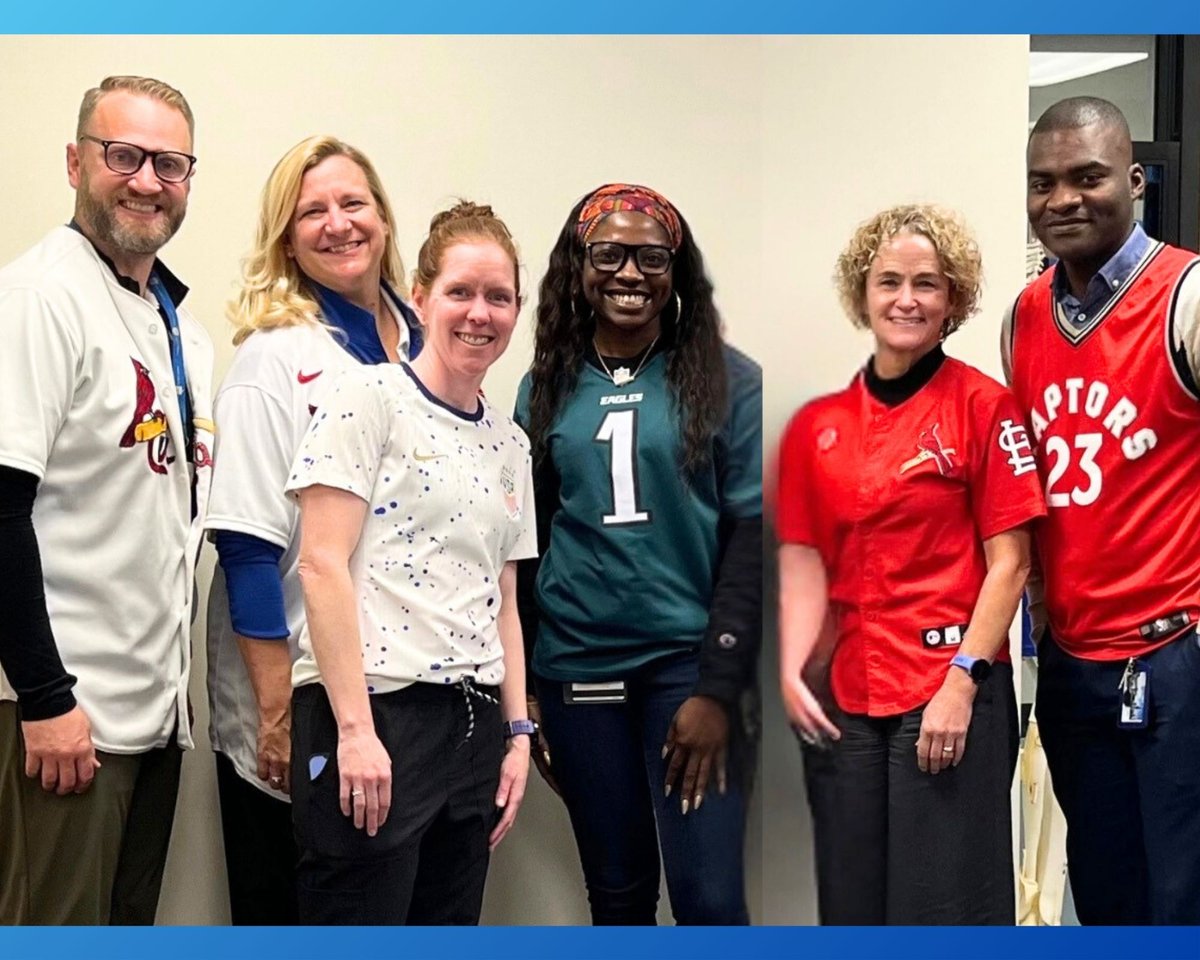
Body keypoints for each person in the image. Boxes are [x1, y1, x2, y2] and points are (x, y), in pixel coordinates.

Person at [777, 203, 1044, 924]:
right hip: (853, 701)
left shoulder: (986, 408)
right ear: (862, 293)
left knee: (943, 907)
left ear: (951, 297)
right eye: (888, 280)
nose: (906, 299)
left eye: (926, 283)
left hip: (947, 693)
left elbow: (1012, 564)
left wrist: (961, 682)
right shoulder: (828, 423)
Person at [516, 183, 762, 925]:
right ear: (578, 266)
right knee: (617, 897)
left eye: (652, 257)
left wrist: (717, 687)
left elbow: (747, 540)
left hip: (685, 672)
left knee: (709, 900)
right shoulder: (545, 386)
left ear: (677, 270)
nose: (630, 273)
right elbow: (525, 545)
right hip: (577, 675)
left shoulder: (726, 376)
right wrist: (525, 686)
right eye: (609, 254)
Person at [284, 201, 534, 925]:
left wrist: (516, 734)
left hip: (474, 719)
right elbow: (321, 566)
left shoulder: (510, 443)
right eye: (460, 291)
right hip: (373, 717)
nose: (479, 314)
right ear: (420, 296)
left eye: (499, 297)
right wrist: (355, 731)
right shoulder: (367, 399)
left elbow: (506, 598)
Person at [0, 75, 213, 925]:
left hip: (154, 717)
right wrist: (48, 699)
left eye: (170, 162)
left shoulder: (176, 326)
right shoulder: (40, 299)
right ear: (75, 161)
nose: (147, 180)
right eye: (122, 155)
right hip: (63, 718)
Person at [203, 135, 422, 924]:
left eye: (352, 203)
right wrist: (274, 717)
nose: (337, 224)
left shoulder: (426, 345)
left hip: (397, 693)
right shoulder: (275, 359)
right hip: (295, 688)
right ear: (286, 239)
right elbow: (246, 548)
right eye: (311, 212)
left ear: (384, 218)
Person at [1002, 96, 1200, 925]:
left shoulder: (1187, 295)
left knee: (1183, 897)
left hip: (1178, 654)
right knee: (1108, 896)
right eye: (1043, 184)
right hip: (1077, 665)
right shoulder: (1023, 316)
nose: (1063, 200)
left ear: (1137, 180)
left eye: (1087, 178)